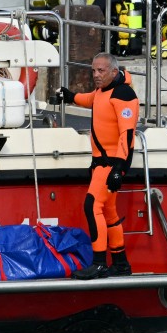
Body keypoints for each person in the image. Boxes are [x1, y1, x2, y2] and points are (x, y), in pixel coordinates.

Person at [55, 53, 137, 279]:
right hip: (100, 162)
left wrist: (120, 168)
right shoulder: (103, 92)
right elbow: (89, 99)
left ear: (113, 71)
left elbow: (127, 135)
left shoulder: (124, 94)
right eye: (93, 70)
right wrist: (70, 96)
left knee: (92, 206)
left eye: (101, 71)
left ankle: (99, 262)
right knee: (109, 213)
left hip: (111, 164)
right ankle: (121, 264)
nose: (96, 75)